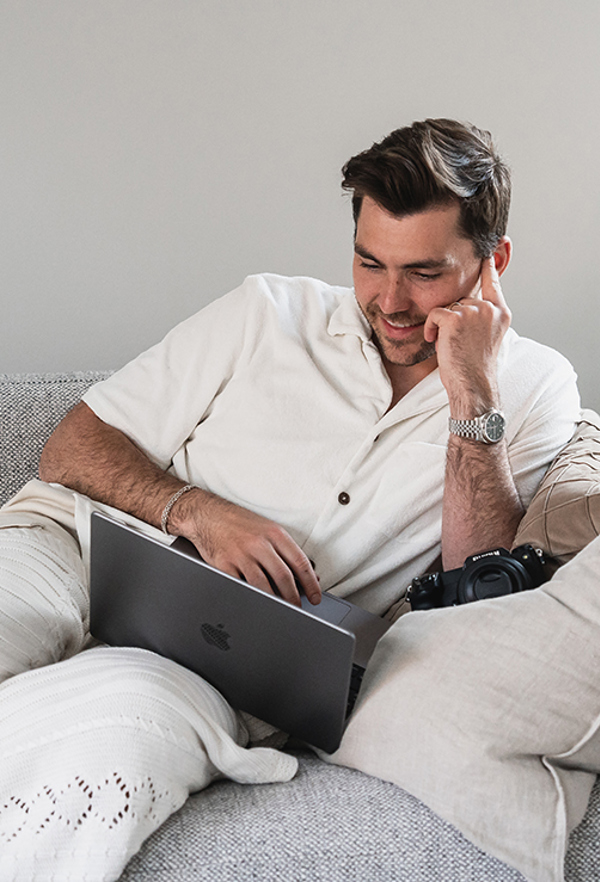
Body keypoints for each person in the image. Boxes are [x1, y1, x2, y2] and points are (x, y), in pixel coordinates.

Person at [0, 118, 580, 880]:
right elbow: (71, 446)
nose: (391, 300)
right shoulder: (266, 313)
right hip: (75, 550)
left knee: (112, 747)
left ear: (493, 262)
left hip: (224, 658)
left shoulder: (533, 390)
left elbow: (474, 594)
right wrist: (198, 511)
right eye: (370, 263)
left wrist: (471, 392)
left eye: (424, 272)